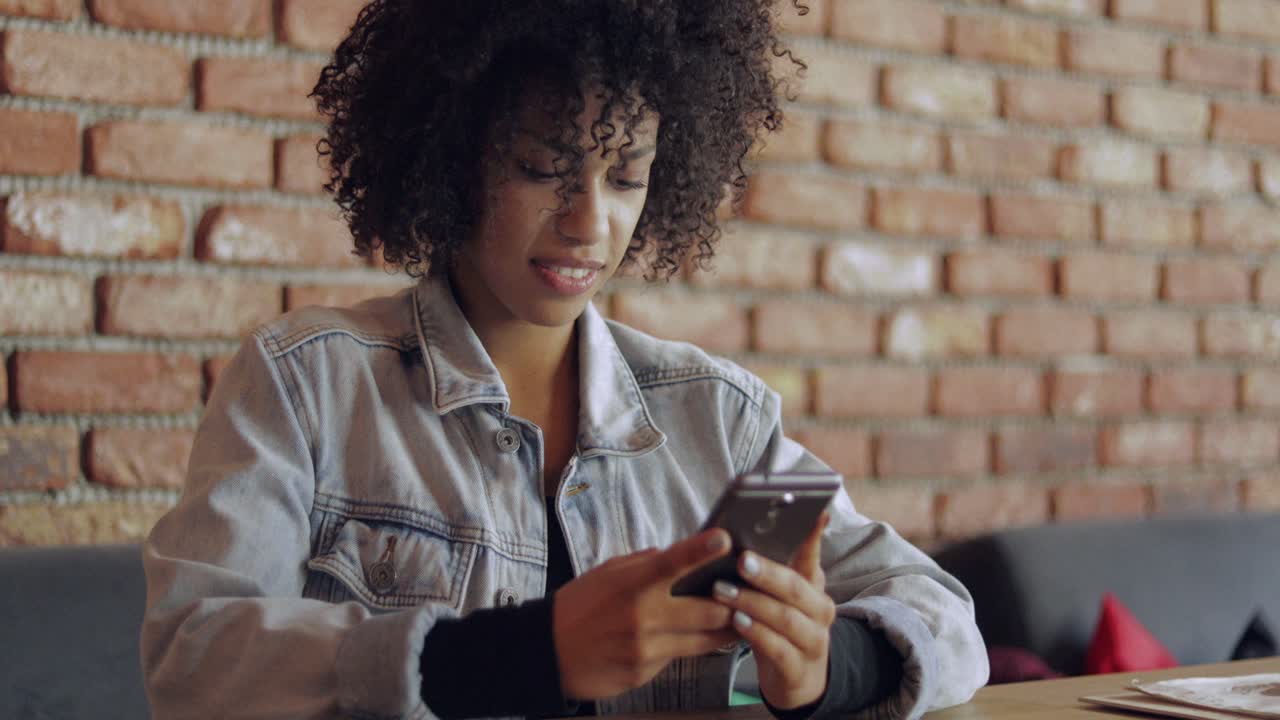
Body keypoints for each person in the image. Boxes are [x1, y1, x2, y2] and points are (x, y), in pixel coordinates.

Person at [140, 1, 989, 718]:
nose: (589, 224)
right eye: (545, 168)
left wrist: (826, 668)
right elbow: (193, 659)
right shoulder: (306, 382)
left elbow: (946, 618)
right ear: (450, 155)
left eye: (626, 178)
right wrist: (524, 654)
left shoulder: (719, 418)